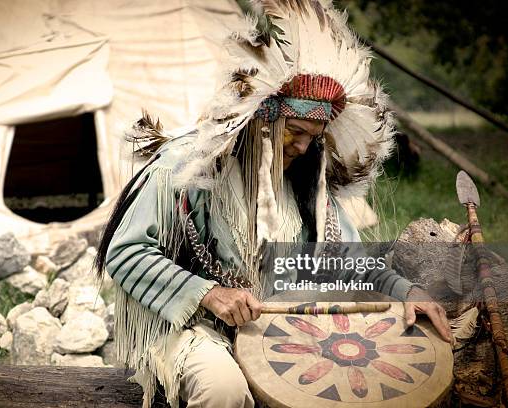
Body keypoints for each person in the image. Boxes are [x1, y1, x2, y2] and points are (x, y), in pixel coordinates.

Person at [94, 1, 452, 407]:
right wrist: (210, 294)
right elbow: (125, 252)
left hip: (280, 326)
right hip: (195, 325)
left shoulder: (303, 187)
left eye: (313, 136)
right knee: (221, 391)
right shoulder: (186, 167)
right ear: (263, 119)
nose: (302, 146)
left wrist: (407, 291)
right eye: (295, 131)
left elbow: (348, 261)